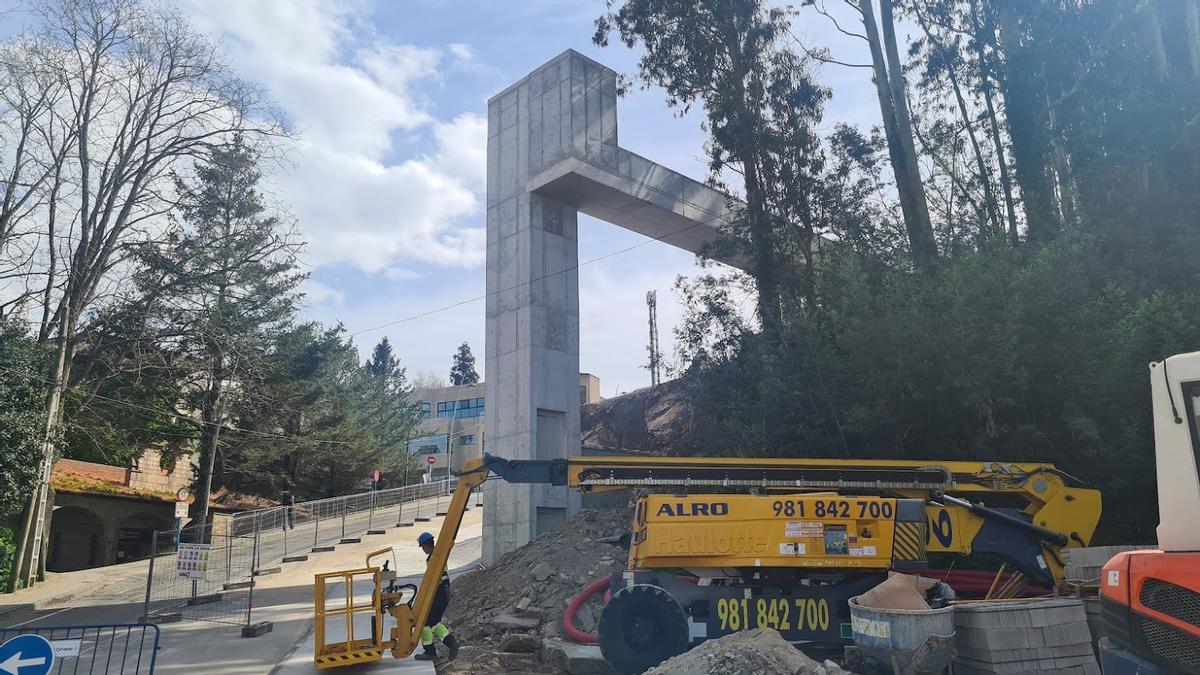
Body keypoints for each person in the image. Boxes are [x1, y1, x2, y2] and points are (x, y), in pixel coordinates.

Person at [415, 531, 460, 661]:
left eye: (422, 547)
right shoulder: (437, 556)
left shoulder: (434, 558)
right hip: (442, 592)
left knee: (426, 623)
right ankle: (448, 645)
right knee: (432, 622)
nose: (422, 549)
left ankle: (433, 651)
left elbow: (436, 579)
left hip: (440, 593)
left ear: (425, 545)